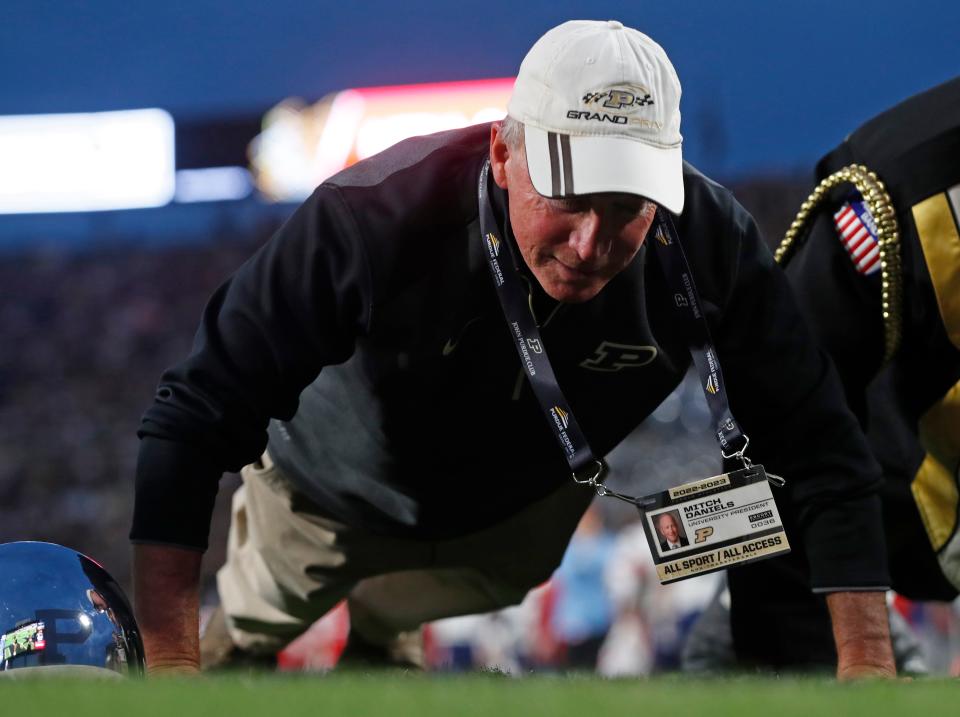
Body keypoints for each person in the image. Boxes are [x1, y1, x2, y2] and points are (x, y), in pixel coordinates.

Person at [131, 19, 896, 678]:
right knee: (253, 627)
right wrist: (169, 663)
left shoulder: (710, 241)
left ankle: (381, 631)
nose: (591, 242)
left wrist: (866, 668)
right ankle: (326, 634)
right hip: (328, 495)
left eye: (626, 205)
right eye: (568, 196)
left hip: (511, 528)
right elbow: (192, 414)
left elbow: (821, 444)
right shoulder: (371, 219)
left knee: (431, 599)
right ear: (501, 151)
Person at [710, 76, 960, 670]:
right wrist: (836, 641)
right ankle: (751, 614)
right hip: (895, 488)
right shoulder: (905, 188)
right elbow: (781, 416)